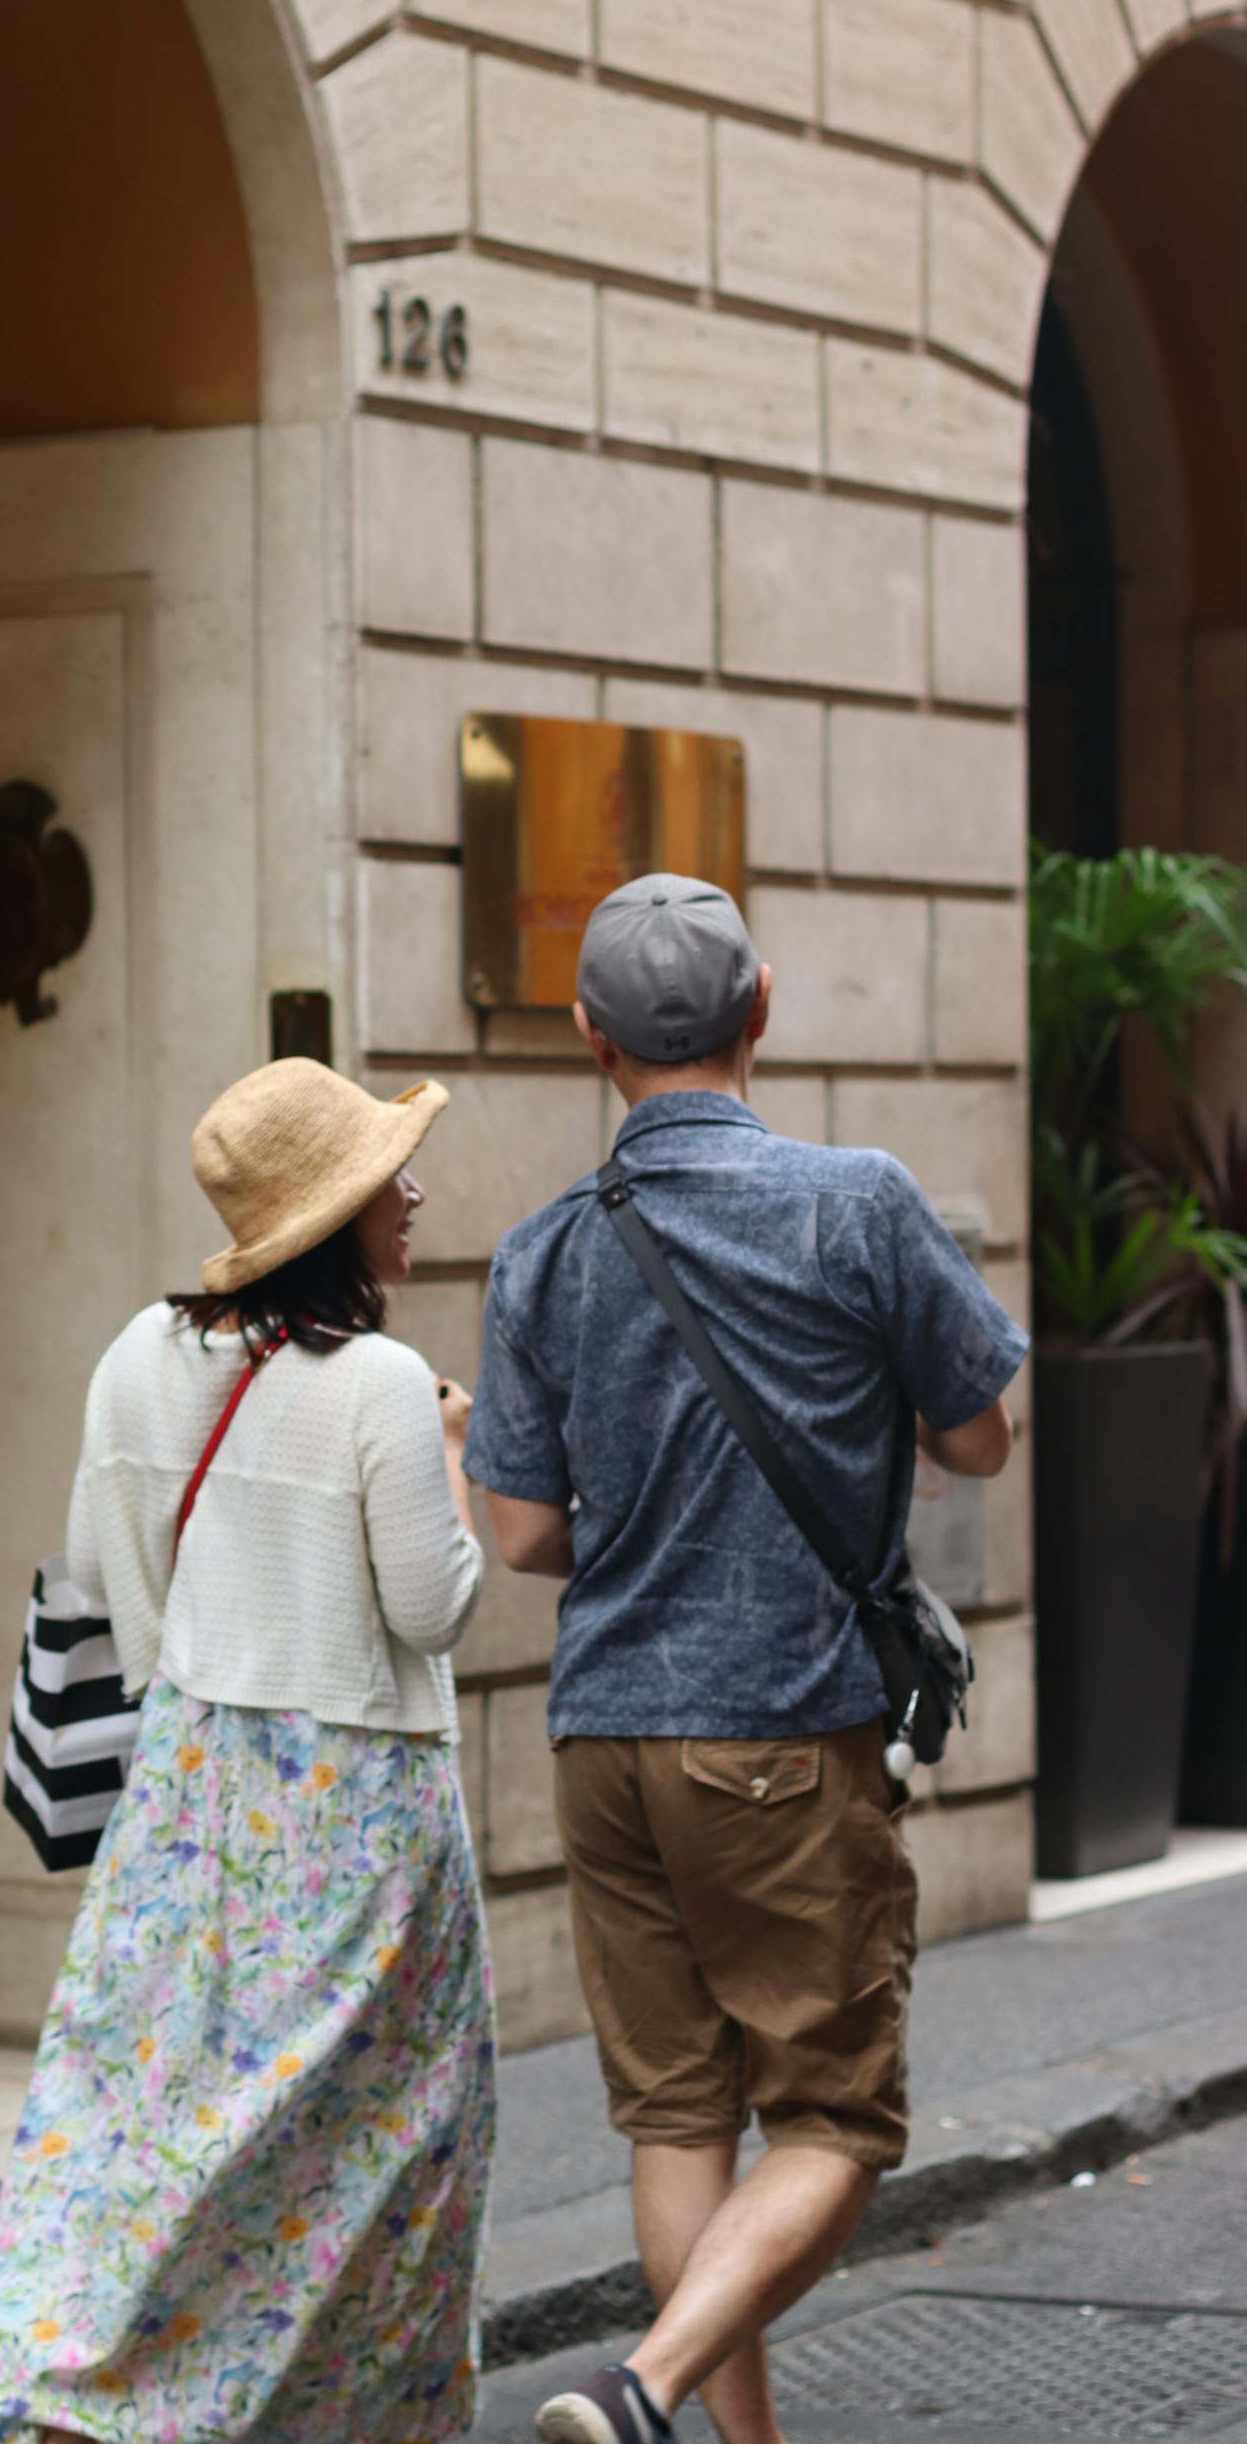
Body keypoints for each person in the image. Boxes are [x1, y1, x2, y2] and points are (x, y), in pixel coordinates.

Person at [463, 875, 1028, 2444]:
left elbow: (516, 1533)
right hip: (779, 1735)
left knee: (679, 2118)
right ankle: (643, 2390)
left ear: (588, 1039)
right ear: (761, 1007)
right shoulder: (858, 1203)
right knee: (837, 2119)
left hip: (603, 1747)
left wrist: (640, 1523)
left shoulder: (541, 1253)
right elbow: (981, 1434)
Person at [0, 1058, 494, 2444]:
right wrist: (449, 1448)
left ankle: (81, 2386)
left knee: (150, 2114)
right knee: (379, 2136)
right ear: (331, 1218)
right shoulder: (381, 1381)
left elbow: (95, 1562)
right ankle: (338, 2417)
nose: (414, 1193)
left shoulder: (138, 1353)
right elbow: (432, 1608)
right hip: (357, 1805)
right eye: (390, 1177)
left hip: (188, 1789)